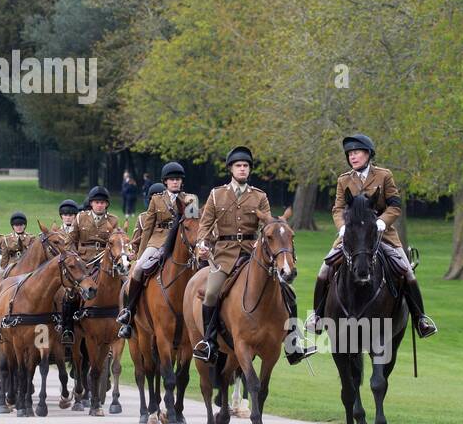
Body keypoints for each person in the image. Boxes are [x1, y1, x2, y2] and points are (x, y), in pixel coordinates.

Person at [307, 134, 437, 338]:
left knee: (407, 273)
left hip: (382, 236)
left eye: (357, 153)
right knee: (323, 271)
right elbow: (337, 208)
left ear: (368, 154)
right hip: (350, 237)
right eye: (350, 154)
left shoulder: (384, 176)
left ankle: (420, 319)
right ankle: (316, 316)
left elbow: (395, 206)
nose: (353, 157)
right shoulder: (343, 179)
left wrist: (381, 222)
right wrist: (342, 227)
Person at [194, 146, 312, 364]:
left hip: (253, 254)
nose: (242, 169)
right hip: (224, 255)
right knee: (211, 293)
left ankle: (293, 345)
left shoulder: (259, 196)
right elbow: (205, 225)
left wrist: (262, 241)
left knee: (290, 293)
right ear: (231, 169)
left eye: (245, 166)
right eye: (238, 166)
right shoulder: (216, 195)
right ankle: (209, 343)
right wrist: (202, 243)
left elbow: (267, 225)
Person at [118, 163, 199, 339]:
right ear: (165, 182)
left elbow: (193, 225)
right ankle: (129, 311)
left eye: (178, 179)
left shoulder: (191, 199)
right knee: (138, 269)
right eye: (171, 179)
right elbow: (148, 228)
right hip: (158, 241)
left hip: (182, 242)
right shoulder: (157, 199)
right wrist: (140, 255)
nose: (175, 182)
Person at [62, 186, 119, 344]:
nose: (99, 205)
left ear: (106, 204)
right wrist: (75, 259)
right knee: (70, 291)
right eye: (96, 202)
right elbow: (69, 242)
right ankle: (68, 327)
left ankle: (126, 319)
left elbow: (116, 242)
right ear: (91, 203)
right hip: (84, 261)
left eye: (102, 202)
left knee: (124, 282)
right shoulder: (80, 217)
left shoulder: (113, 220)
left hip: (105, 260)